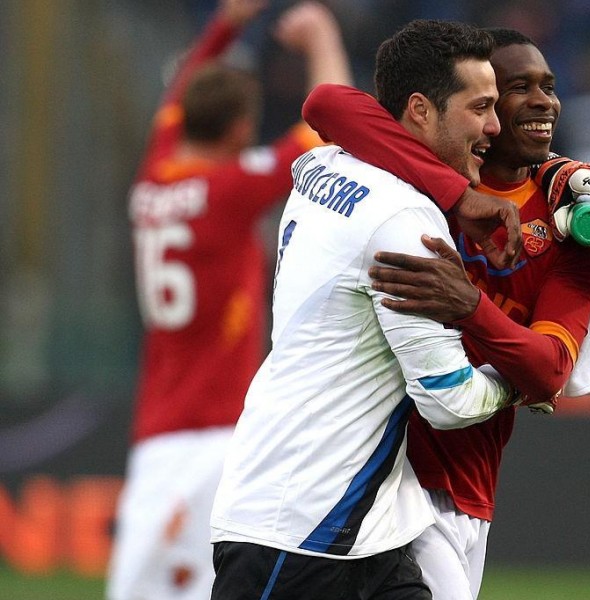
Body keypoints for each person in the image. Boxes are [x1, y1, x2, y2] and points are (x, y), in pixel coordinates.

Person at [208, 20, 528, 600]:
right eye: (479, 106)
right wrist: (518, 374)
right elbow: (450, 398)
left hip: (365, 530)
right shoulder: (405, 223)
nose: (495, 126)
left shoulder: (325, 165)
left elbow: (335, 108)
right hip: (302, 530)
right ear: (420, 111)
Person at [302, 28, 590, 599]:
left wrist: (469, 307)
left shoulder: (574, 232)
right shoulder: (412, 182)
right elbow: (324, 103)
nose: (540, 102)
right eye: (507, 92)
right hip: (392, 477)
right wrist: (457, 195)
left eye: (547, 86)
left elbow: (549, 371)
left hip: (474, 486)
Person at [107, 2, 354, 599]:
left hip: (157, 431)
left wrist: (226, 22)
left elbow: (182, 89)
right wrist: (322, 35)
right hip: (221, 430)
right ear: (241, 129)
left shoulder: (154, 175)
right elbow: (335, 124)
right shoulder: (229, 189)